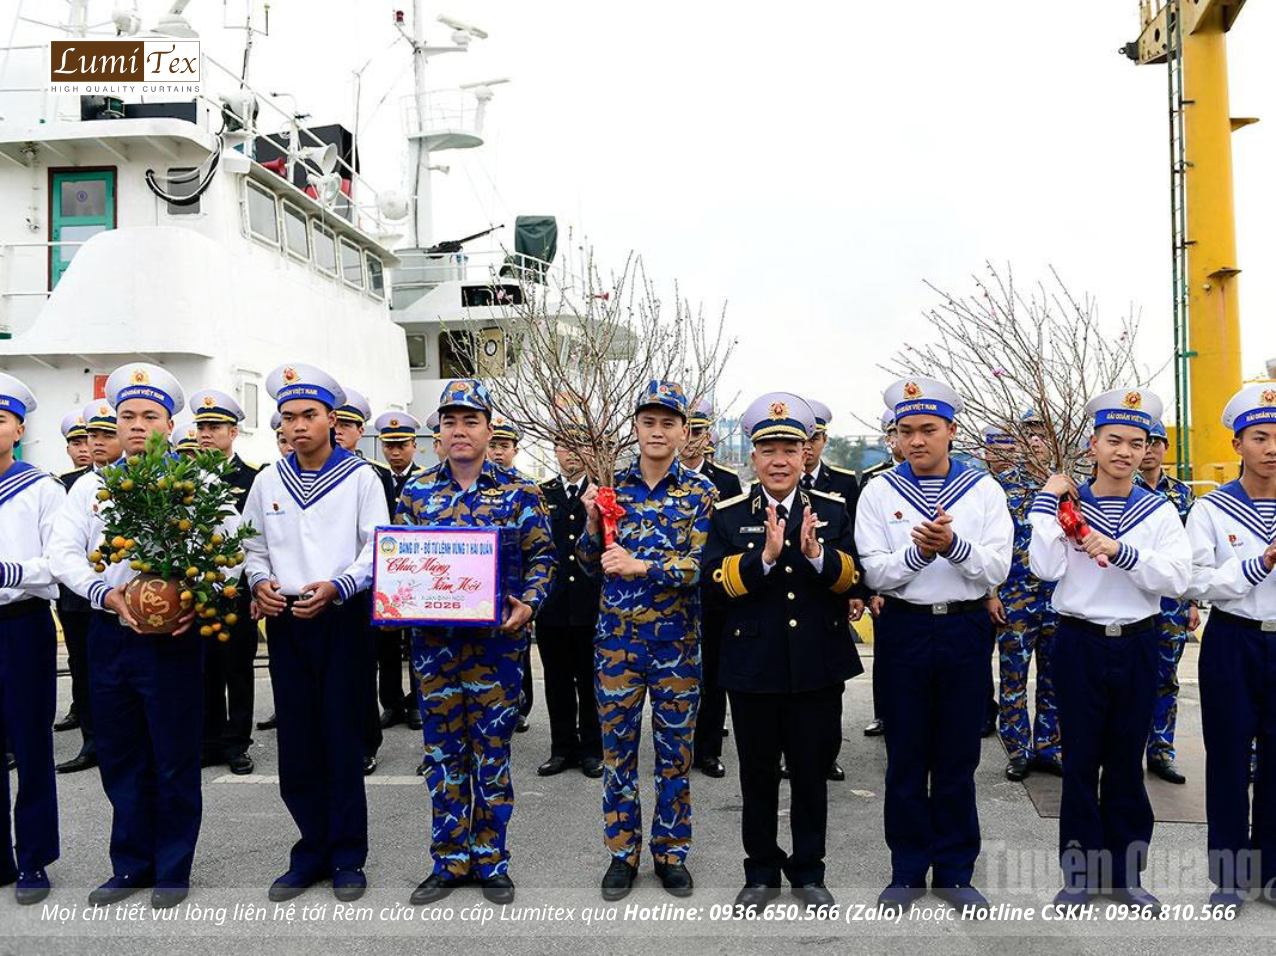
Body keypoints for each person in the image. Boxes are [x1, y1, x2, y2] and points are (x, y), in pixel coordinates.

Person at [48, 363, 218, 909]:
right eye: (127, 416)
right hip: (111, 632)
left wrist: (198, 597)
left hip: (172, 638)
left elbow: (228, 554)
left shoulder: (199, 484)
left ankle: (172, 867)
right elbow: (64, 553)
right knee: (121, 755)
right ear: (114, 423)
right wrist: (104, 593)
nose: (138, 425)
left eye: (151, 415)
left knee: (172, 754)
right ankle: (130, 865)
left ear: (170, 423)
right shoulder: (91, 487)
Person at [855, 376, 1013, 916]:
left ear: (952, 430)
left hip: (965, 629)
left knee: (957, 754)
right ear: (895, 436)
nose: (917, 441)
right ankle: (905, 870)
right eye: (906, 431)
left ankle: (954, 871)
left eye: (929, 429)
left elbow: (997, 566)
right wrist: (921, 556)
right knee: (905, 754)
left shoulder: (983, 489)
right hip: (905, 629)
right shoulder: (879, 490)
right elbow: (874, 570)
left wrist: (954, 545)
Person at [1030, 388, 1191, 912]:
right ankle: (1078, 874)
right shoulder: (1069, 505)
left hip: (1138, 642)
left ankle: (1127, 873)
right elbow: (1044, 568)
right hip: (1079, 640)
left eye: (1136, 443)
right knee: (1080, 760)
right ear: (1093, 445)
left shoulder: (1158, 510)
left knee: (1125, 761)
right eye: (1114, 440)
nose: (1125, 451)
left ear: (1147, 450)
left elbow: (1177, 576)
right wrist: (1046, 504)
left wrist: (1122, 551)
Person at [398, 380, 555, 907]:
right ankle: (448, 862)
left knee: (492, 755)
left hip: (497, 650)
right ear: (438, 433)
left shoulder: (520, 491)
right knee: (443, 755)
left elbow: (543, 560)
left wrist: (529, 602)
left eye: (470, 421)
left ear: (490, 429)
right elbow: (399, 563)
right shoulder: (416, 492)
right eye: (449, 422)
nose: (459, 431)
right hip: (435, 650)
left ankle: (491, 861)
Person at [705, 392, 863, 914]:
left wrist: (820, 557)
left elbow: (855, 577)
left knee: (811, 774)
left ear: (805, 455)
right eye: (768, 450)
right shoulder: (729, 514)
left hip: (817, 666)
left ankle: (810, 871)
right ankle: (760, 872)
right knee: (757, 776)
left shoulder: (834, 510)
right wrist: (763, 560)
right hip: (754, 668)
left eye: (789, 450)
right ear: (753, 459)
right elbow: (712, 585)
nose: (778, 460)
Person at [243, 363, 387, 904]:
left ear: (332, 418)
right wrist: (259, 582)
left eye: (309, 415)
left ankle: (348, 855)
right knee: (298, 742)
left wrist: (339, 585)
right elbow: (252, 547)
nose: (298, 425)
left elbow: (376, 546)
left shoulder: (360, 477)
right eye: (288, 417)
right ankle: (310, 851)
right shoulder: (266, 480)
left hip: (341, 616)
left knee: (341, 738)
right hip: (286, 620)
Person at [577, 381, 715, 901]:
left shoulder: (700, 494)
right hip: (618, 643)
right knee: (618, 755)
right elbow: (590, 565)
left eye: (668, 423)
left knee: (675, 756)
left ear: (684, 431)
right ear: (635, 429)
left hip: (676, 646)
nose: (658, 432)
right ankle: (622, 854)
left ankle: (671, 853)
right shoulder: (612, 487)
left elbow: (701, 567)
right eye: (648, 422)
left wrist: (644, 565)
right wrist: (593, 522)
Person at [1184, 383, 1276, 907]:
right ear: (1238, 445)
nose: (1271, 448)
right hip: (1233, 640)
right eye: (1259, 437)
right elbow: (1197, 582)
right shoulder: (1211, 510)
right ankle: (1229, 876)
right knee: (1228, 757)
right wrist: (1259, 563)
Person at [0, 374, 67, 904]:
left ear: (19, 427)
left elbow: (57, 565)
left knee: (30, 743)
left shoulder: (42, 489)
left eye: (1, 418)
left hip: (21, 623)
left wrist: (7, 571)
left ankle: (35, 859)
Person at [190, 388, 261, 776]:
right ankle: (210, 739)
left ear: (233, 432)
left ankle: (237, 743)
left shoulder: (252, 478)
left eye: (214, 427)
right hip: (197, 590)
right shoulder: (184, 477)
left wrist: (252, 587)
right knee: (205, 669)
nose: (205, 434)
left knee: (238, 668)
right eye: (201, 426)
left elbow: (258, 539)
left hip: (238, 591)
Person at [989, 416, 1062, 782]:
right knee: (1013, 677)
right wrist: (992, 593)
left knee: (1054, 676)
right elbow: (992, 542)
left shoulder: (1067, 486)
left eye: (1041, 435)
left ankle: (1050, 746)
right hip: (1016, 596)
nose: (1035, 441)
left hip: (1057, 598)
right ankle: (1018, 748)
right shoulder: (1001, 487)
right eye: (1028, 435)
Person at [799, 397, 862, 781]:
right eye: (800, 441)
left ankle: (827, 753)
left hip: (829, 595)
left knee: (828, 684)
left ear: (823, 441)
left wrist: (856, 590)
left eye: (814, 438)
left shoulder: (843, 483)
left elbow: (854, 542)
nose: (807, 448)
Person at [535, 432, 604, 779]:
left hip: (591, 605)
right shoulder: (541, 494)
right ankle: (562, 747)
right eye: (565, 445)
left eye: (581, 445)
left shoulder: (603, 493)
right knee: (557, 681)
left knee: (590, 681)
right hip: (552, 604)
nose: (572, 453)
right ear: (556, 450)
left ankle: (593, 749)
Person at [333, 386, 393, 775]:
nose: (338, 431)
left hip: (365, 587)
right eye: (335, 423)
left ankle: (366, 741)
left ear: (360, 431)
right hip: (317, 589)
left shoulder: (373, 475)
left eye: (347, 425)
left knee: (361, 670)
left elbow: (385, 537)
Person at [1135, 419, 1198, 785]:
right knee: (1130, 677)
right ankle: (1127, 748)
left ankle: (1160, 750)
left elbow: (1189, 553)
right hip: (1136, 594)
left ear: (1165, 449)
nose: (1152, 449)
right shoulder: (1125, 491)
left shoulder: (1182, 494)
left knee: (1165, 679)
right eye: (1148, 442)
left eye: (1159, 442)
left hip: (1172, 602)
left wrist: (1191, 601)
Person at [682, 398, 742, 779]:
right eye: (688, 431)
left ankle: (708, 750)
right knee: (679, 676)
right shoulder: (663, 480)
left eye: (700, 432)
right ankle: (678, 746)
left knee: (714, 673)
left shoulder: (727, 481)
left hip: (714, 593)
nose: (692, 441)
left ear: (709, 438)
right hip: (674, 593)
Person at [371, 411, 425, 732]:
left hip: (415, 574)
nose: (394, 452)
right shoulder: (374, 479)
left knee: (416, 641)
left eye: (401, 445)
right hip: (383, 576)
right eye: (389, 446)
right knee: (386, 645)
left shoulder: (424, 479)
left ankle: (417, 703)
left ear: (413, 446)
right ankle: (391, 702)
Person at [52, 411, 97, 773]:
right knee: (81, 668)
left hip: (116, 598)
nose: (90, 446)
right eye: (80, 440)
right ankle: (91, 740)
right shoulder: (66, 484)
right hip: (74, 596)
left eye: (99, 435)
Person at [487, 414, 536, 733]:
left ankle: (521, 705)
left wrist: (531, 598)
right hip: (467, 598)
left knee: (518, 658)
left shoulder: (525, 490)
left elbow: (539, 550)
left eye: (504, 446)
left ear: (515, 450)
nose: (498, 452)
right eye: (494, 446)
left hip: (512, 592)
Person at [861, 407, 902, 739]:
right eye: (893, 434)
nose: (897, 440)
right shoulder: (874, 480)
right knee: (885, 654)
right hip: (883, 581)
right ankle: (883, 713)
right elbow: (863, 539)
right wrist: (869, 588)